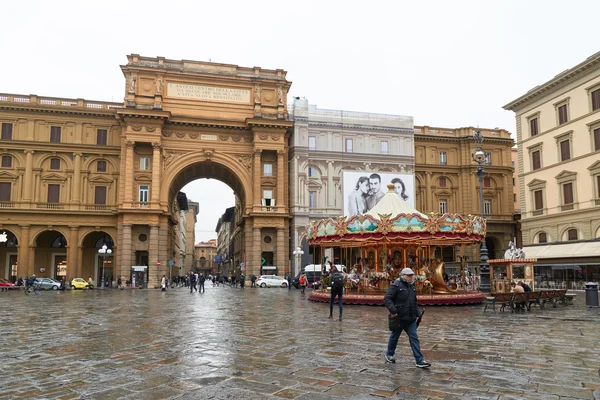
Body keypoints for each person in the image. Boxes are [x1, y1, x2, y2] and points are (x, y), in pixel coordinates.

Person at [383, 268, 431, 368]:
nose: (411, 277)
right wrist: (394, 311)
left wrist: (418, 314)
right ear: (403, 275)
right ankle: (389, 354)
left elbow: (414, 300)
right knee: (394, 337)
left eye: (412, 275)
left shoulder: (412, 285)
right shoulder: (396, 285)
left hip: (410, 318)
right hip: (399, 317)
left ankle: (419, 360)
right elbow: (387, 298)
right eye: (409, 275)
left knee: (414, 338)